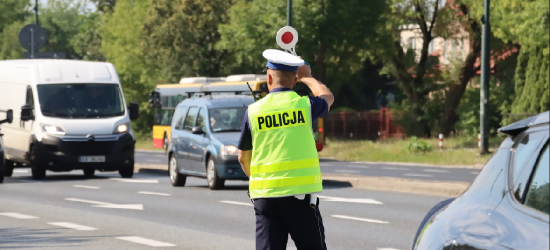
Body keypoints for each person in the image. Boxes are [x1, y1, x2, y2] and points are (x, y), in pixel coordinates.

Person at [238, 49, 334, 250]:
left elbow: (242, 158)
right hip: (298, 198)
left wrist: (260, 181)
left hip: (265, 198)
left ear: (269, 76)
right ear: (294, 80)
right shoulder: (304, 106)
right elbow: (327, 97)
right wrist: (308, 78)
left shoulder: (253, 111)